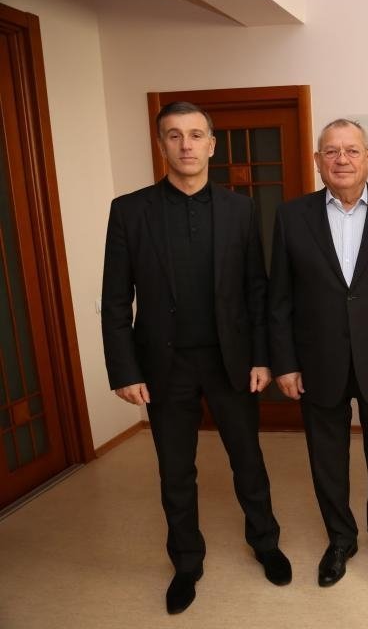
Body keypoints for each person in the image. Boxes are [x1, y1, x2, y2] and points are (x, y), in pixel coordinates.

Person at [101, 101, 290, 615]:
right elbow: (115, 299)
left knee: (248, 460)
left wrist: (262, 358)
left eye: (195, 135)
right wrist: (124, 369)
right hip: (163, 366)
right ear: (161, 144)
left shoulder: (239, 209)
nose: (186, 145)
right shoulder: (130, 210)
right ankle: (186, 562)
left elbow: (256, 289)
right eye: (174, 135)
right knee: (175, 470)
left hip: (231, 361)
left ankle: (266, 543)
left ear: (211, 144)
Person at [269, 119, 368, 587]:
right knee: (327, 459)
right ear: (318, 160)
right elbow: (278, 299)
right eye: (331, 151)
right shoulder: (291, 216)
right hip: (317, 360)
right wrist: (285, 362)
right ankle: (340, 539)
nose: (341, 159)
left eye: (351, 150)